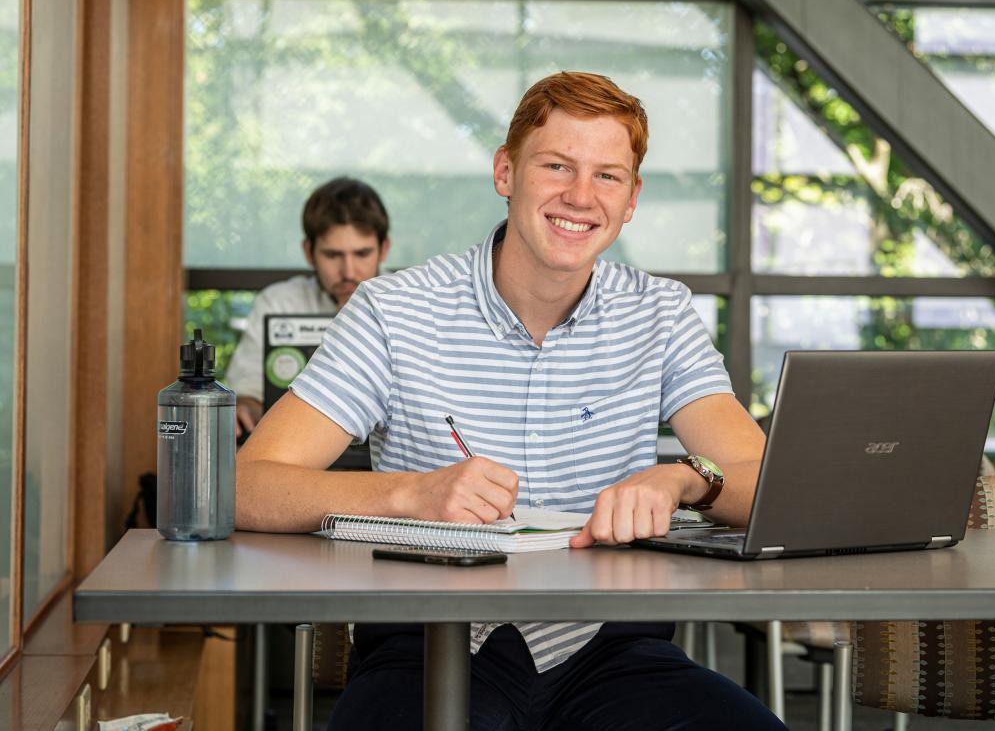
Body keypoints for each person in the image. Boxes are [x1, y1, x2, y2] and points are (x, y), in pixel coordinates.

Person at [236, 72, 785, 730]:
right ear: (505, 172)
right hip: (428, 646)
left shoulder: (659, 313)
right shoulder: (392, 310)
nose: (580, 197)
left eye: (607, 176)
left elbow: (769, 487)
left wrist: (683, 480)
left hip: (610, 651)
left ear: (632, 198)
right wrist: (410, 495)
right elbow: (248, 484)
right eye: (556, 166)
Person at [225, 176, 391, 436]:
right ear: (308, 251)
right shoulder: (279, 302)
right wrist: (244, 407)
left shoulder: (409, 302)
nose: (348, 271)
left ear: (384, 250)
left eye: (361, 254)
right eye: (333, 255)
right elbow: (249, 393)